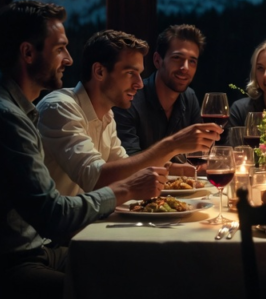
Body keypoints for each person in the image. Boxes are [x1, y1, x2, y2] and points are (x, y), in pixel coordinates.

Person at [0, 0, 168, 299]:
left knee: (129, 268)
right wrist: (126, 189)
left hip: (29, 251)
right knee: (116, 295)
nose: (70, 60)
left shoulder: (12, 107)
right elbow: (53, 215)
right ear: (28, 53)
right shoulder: (2, 116)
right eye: (60, 49)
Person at [38, 30, 220, 197]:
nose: (139, 83)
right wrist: (173, 144)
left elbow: (129, 170)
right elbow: (95, 178)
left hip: (86, 223)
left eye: (140, 74)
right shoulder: (60, 107)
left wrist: (184, 170)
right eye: (130, 73)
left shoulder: (107, 116)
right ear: (99, 71)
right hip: (52, 230)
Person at [114, 24, 218, 172]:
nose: (185, 67)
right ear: (157, 60)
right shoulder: (129, 99)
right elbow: (130, 163)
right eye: (177, 58)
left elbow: (201, 155)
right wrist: (182, 167)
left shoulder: (189, 97)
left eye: (192, 61)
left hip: (184, 193)